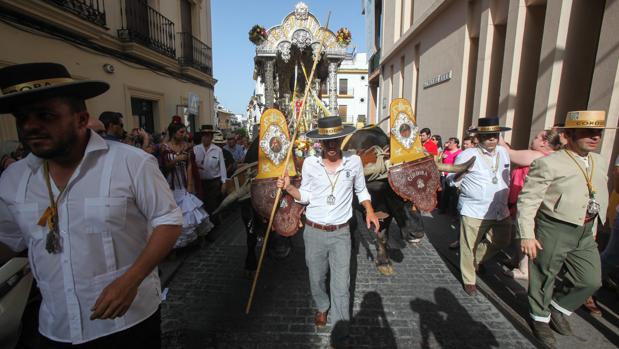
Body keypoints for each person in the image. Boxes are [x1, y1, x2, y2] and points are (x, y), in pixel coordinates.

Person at [0, 62, 183, 347]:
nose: (30, 127)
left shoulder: (131, 163)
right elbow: (8, 240)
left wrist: (130, 281)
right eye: (22, 118)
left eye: (45, 115)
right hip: (54, 327)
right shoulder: (13, 179)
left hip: (128, 323)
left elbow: (169, 221)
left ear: (81, 119)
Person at [277, 116, 379, 347]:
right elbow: (306, 197)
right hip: (314, 233)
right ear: (320, 143)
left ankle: (341, 332)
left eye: (336, 140)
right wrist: (289, 187)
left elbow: (361, 191)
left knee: (342, 285)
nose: (331, 146)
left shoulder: (353, 162)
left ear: (342, 139)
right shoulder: (311, 164)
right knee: (316, 278)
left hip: (342, 233)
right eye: (327, 142)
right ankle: (322, 306)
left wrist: (370, 211)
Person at [517, 110, 612, 346]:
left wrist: (596, 225)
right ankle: (539, 318)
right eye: (587, 132)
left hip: (585, 229)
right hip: (554, 227)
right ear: (568, 136)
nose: (595, 137)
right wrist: (527, 234)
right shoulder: (548, 163)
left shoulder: (599, 161)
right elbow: (528, 200)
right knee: (544, 275)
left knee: (591, 280)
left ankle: (558, 307)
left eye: (598, 132)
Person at [454, 117, 512, 296]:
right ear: (478, 137)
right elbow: (451, 178)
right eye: (487, 135)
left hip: (500, 209)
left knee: (502, 240)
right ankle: (469, 279)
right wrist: (459, 183)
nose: (492, 138)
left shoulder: (503, 152)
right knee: (467, 245)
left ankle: (475, 260)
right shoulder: (467, 154)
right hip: (475, 209)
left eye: (495, 134)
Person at [499, 130, 562, 280]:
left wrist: (497, 134)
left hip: (527, 202)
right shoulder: (551, 157)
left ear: (544, 142)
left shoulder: (537, 155)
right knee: (520, 233)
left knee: (523, 234)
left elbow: (509, 152)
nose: (533, 140)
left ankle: (524, 270)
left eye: (536, 137)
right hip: (528, 201)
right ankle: (517, 260)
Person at [160, 121, 211, 248]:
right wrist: (177, 159)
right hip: (170, 183)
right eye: (181, 132)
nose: (184, 134)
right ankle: (174, 245)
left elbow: (189, 165)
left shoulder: (187, 146)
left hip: (183, 182)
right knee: (173, 213)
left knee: (190, 211)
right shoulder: (164, 147)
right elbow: (164, 166)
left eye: (184, 132)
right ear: (173, 133)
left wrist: (189, 183)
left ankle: (193, 240)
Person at [193, 125, 226, 215]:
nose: (206, 138)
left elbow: (222, 167)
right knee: (201, 204)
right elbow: (191, 165)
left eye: (208, 136)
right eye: (204, 135)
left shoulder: (218, 150)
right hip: (200, 183)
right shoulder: (195, 149)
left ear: (211, 137)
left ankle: (214, 224)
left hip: (214, 183)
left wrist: (224, 183)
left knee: (212, 204)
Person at [439, 137, 462, 215]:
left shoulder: (460, 152)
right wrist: (441, 158)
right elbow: (440, 161)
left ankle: (453, 212)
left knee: (454, 194)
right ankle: (442, 209)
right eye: (448, 142)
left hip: (454, 175)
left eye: (450, 143)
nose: (448, 144)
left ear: (456, 144)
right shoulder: (446, 151)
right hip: (445, 175)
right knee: (444, 193)